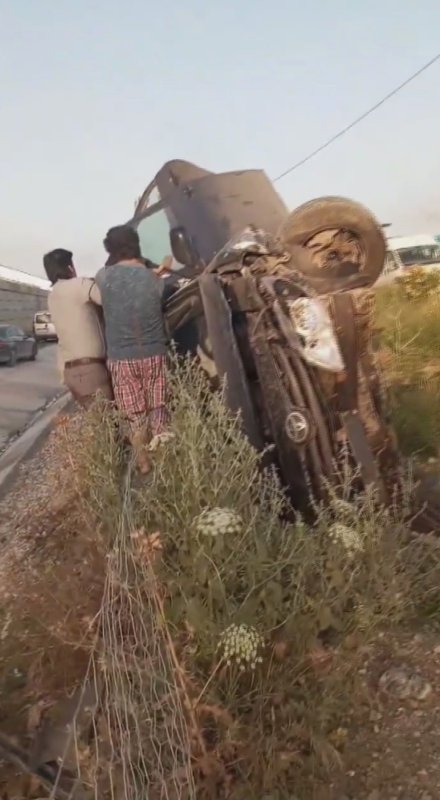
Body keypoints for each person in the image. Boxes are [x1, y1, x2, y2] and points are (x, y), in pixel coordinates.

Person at [90, 226, 169, 474]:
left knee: (134, 414)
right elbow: (156, 292)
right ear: (137, 245)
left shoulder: (103, 277)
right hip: (154, 352)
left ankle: (143, 462)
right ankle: (165, 460)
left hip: (122, 357)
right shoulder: (154, 279)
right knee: (158, 407)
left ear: (109, 249)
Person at [43, 248, 113, 407]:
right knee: (108, 417)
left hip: (69, 372)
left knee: (94, 417)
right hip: (91, 368)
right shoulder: (80, 285)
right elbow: (110, 300)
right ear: (70, 267)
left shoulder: (53, 296)